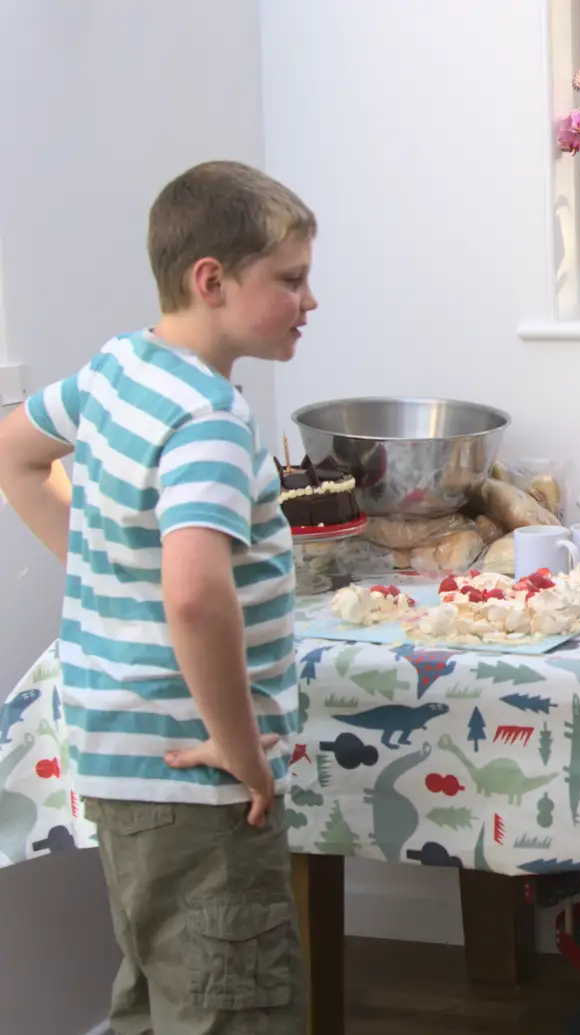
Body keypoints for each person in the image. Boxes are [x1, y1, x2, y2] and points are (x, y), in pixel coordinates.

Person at [0, 161, 317, 1034]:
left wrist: (109, 564)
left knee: (153, 996)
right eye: (289, 279)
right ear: (211, 280)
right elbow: (193, 596)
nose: (309, 299)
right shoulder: (208, 417)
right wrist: (238, 745)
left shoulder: (117, 368)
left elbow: (13, 453)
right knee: (230, 1006)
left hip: (116, 761)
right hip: (200, 781)